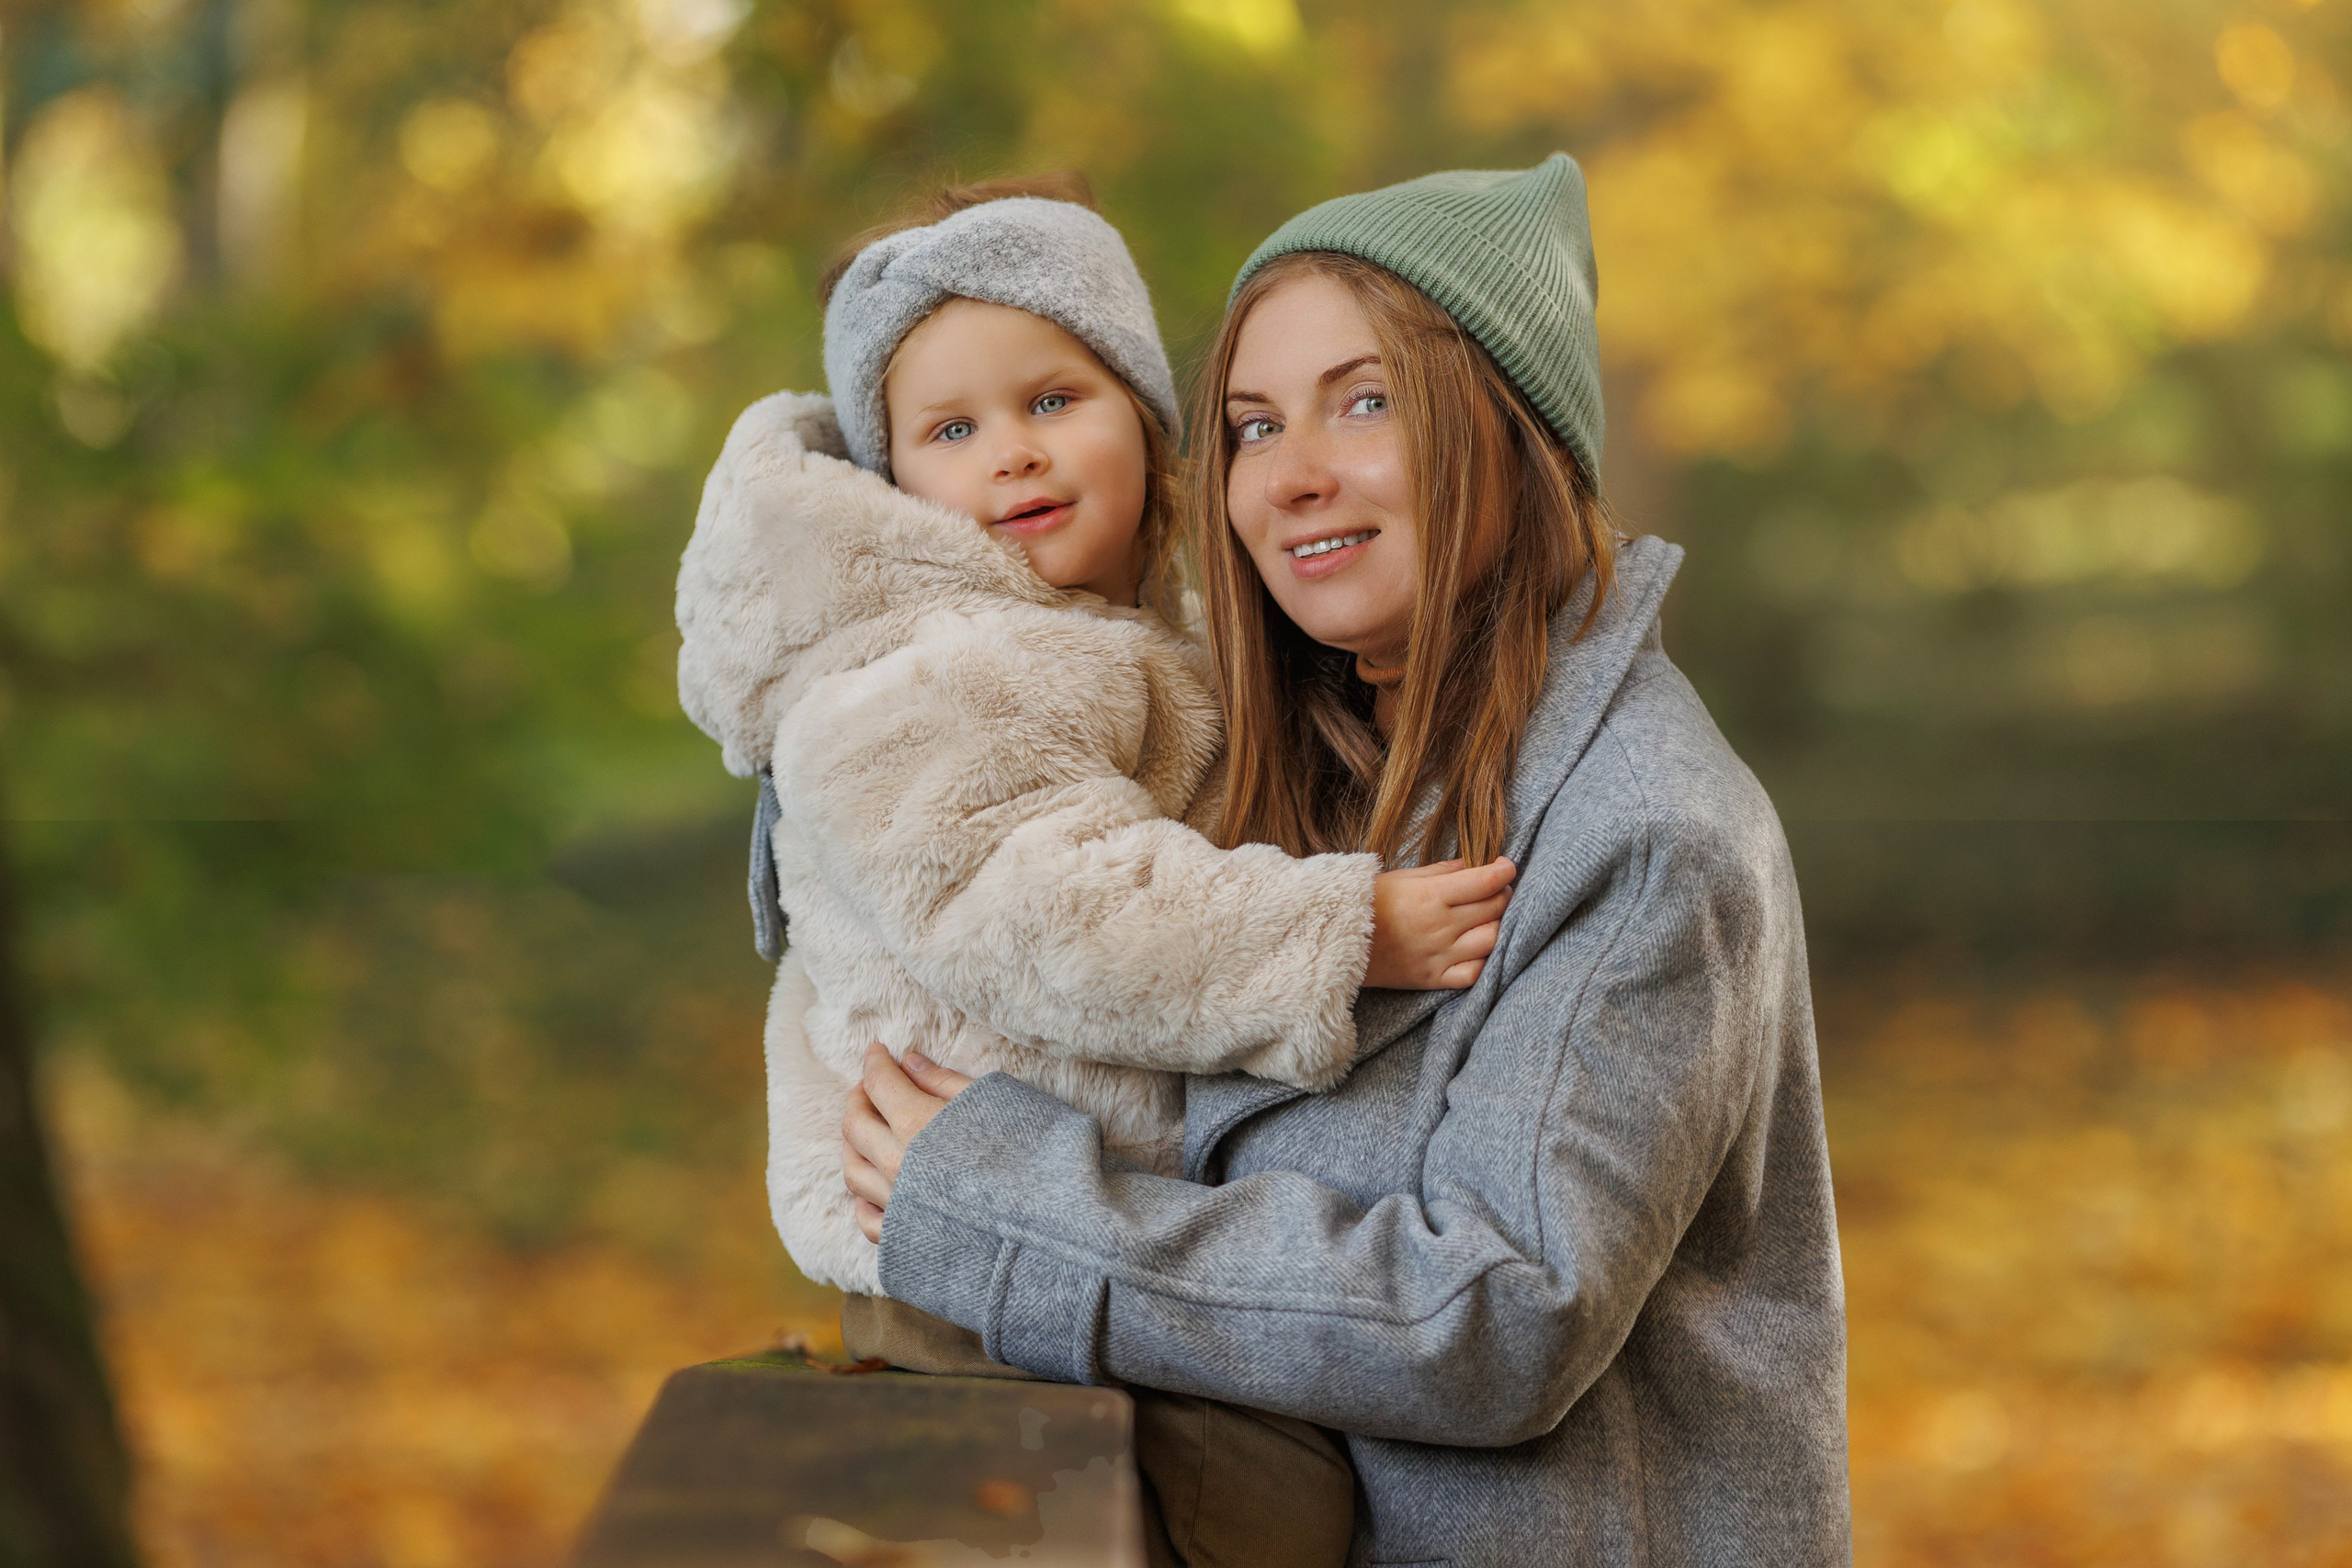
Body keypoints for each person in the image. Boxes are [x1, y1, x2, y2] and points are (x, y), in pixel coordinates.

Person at [844, 155, 1854, 1567]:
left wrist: (1007, 1209)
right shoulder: (1306, 779)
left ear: (1513, 426)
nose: (1295, 474)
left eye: (1365, 404)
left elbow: (1496, 1315)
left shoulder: (1643, 829)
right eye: (1253, 426)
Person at [675, 175, 1518, 1568]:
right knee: (1276, 1512)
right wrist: (1334, 932)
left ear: (1148, 421)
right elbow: (1046, 909)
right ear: (895, 482)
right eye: (952, 429)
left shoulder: (1124, 633)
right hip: (976, 1258)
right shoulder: (921, 673)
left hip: (1095, 1235)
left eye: (1053, 400)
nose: (1013, 453)